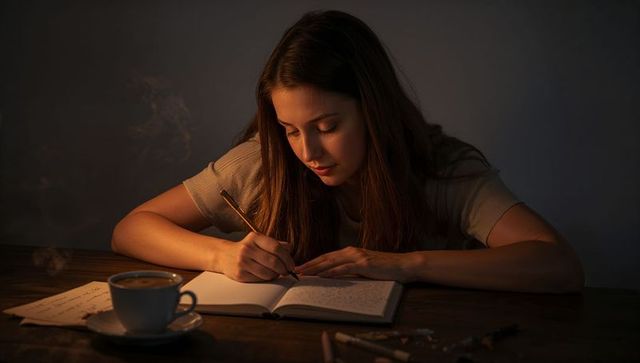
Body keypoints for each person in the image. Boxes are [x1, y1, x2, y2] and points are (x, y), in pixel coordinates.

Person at [111, 10, 584, 293]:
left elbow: (557, 264)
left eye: (327, 126)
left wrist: (401, 264)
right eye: (291, 130)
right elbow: (131, 229)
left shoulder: (440, 167)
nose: (308, 151)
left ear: (373, 111)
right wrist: (221, 256)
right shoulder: (264, 161)